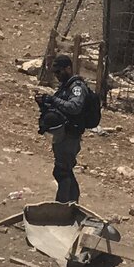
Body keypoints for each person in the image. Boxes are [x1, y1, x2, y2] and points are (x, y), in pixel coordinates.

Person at [38, 55, 91, 203]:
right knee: (65, 171)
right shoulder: (65, 86)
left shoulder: (77, 87)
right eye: (55, 73)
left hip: (70, 136)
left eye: (59, 72)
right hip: (62, 134)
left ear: (68, 68)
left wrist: (53, 99)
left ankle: (61, 207)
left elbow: (74, 107)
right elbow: (60, 106)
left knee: (62, 172)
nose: (57, 75)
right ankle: (72, 203)